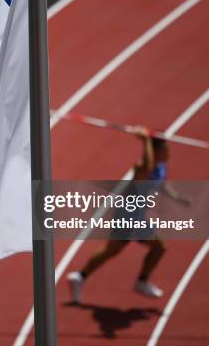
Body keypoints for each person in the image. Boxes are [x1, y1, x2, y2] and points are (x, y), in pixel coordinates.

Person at [67, 127, 189, 303]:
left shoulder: (161, 168)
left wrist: (177, 198)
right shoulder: (142, 168)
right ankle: (141, 281)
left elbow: (160, 184)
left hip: (135, 216)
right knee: (159, 247)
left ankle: (79, 276)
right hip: (128, 217)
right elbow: (147, 166)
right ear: (155, 151)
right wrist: (145, 140)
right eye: (165, 149)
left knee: (112, 250)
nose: (168, 151)